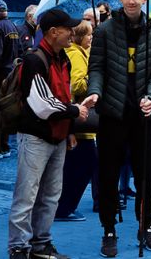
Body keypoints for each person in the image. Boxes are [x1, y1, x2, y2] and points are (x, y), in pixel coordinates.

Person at [84, 0, 151, 257]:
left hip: (143, 114)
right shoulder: (105, 30)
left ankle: (147, 227)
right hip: (112, 113)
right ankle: (109, 230)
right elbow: (95, 68)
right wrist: (95, 92)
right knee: (108, 174)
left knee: (145, 177)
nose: (131, 1)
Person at [8, 8, 88, 259]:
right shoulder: (35, 59)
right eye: (68, 29)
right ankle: (19, 247)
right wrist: (74, 111)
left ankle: (41, 243)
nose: (72, 33)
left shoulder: (61, 57)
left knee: (51, 195)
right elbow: (42, 104)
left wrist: (70, 129)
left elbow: (62, 94)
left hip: (58, 136)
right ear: (54, 32)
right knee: (27, 195)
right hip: (35, 136)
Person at [54, 20, 98, 222]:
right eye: (88, 34)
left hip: (79, 121)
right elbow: (76, 86)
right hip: (80, 120)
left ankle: (64, 206)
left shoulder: (80, 53)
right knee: (83, 164)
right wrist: (94, 78)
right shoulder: (77, 55)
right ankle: (64, 207)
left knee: (79, 164)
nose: (91, 37)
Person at [0, 0, 22, 160]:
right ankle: (4, 147)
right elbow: (19, 51)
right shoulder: (12, 26)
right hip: (10, 75)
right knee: (4, 111)